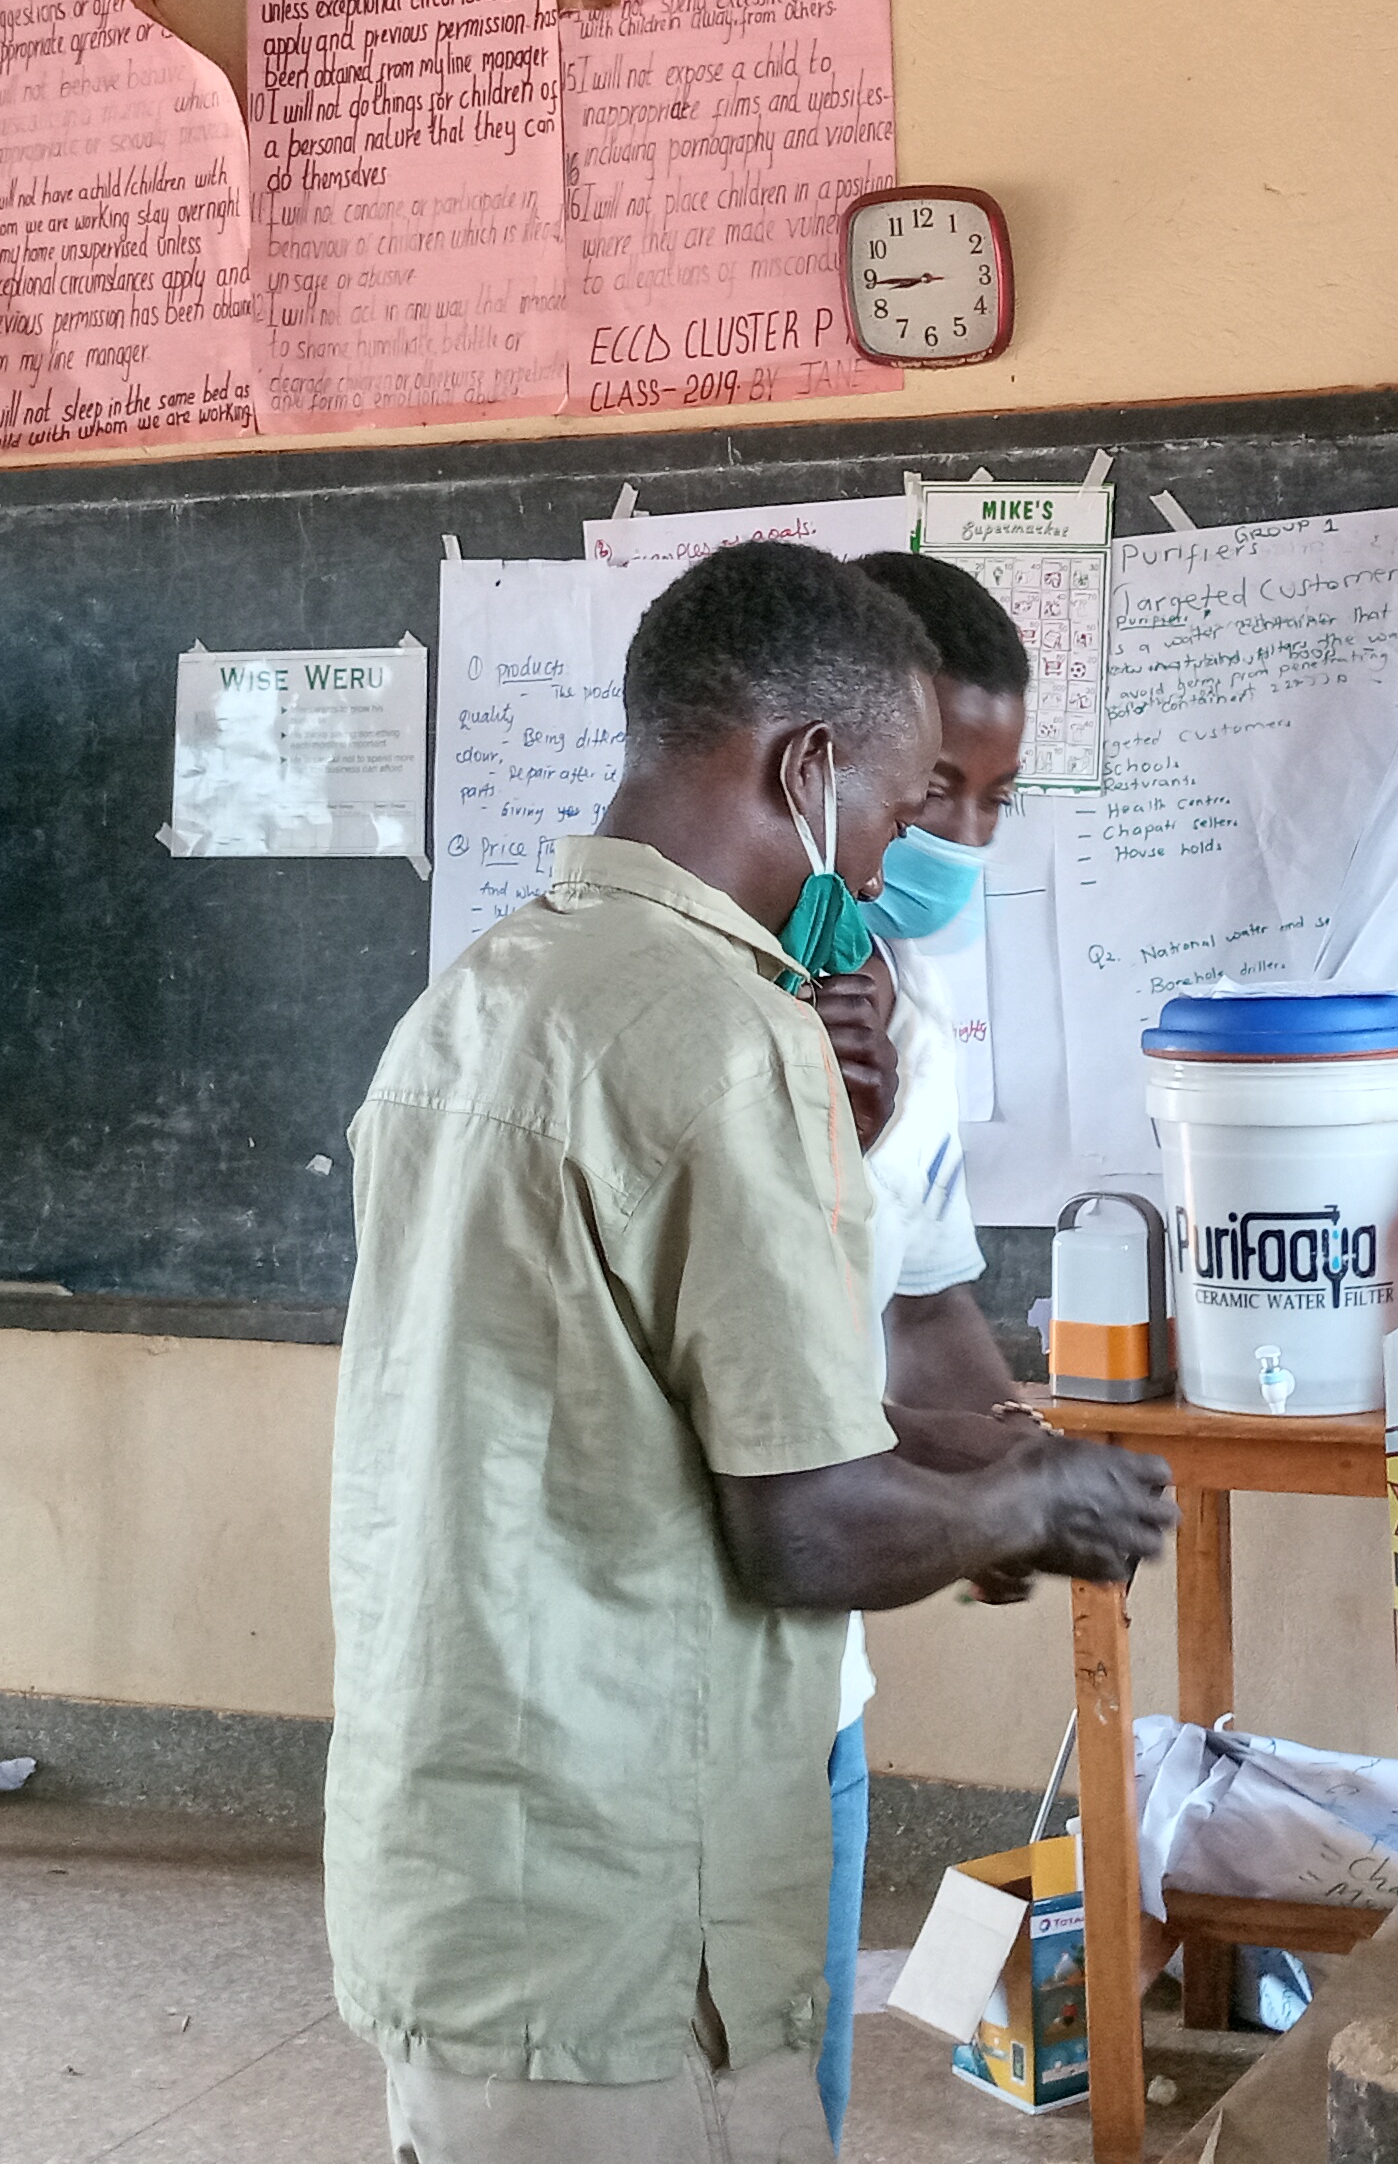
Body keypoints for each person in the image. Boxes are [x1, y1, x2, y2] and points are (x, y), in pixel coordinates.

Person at [328, 540, 1174, 2164]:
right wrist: (1030, 1505)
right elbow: (801, 1525)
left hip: (464, 1863)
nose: (899, 855)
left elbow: (641, 1421)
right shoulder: (734, 1032)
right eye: (898, 804)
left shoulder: (484, 997)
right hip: (632, 1891)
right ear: (803, 770)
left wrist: (985, 1459)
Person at [790, 548, 1040, 2139]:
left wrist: (1013, 1465)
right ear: (833, 763)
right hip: (656, 1693)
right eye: (935, 789)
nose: (958, 839)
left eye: (997, 802)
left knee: (796, 2088)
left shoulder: (912, 1002)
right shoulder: (685, 992)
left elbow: (923, 1299)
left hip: (817, 1681)